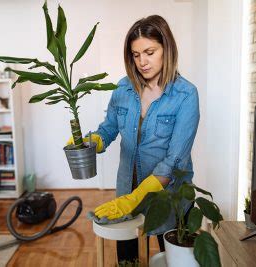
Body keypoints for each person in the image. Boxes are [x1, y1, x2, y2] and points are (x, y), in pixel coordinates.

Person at [69, 15, 199, 263]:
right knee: (127, 260)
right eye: (135, 54)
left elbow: (175, 160)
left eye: (149, 52)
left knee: (172, 260)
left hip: (167, 199)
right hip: (126, 192)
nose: (142, 62)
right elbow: (108, 128)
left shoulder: (186, 94)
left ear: (166, 48)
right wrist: (92, 141)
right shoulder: (122, 88)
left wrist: (138, 197)